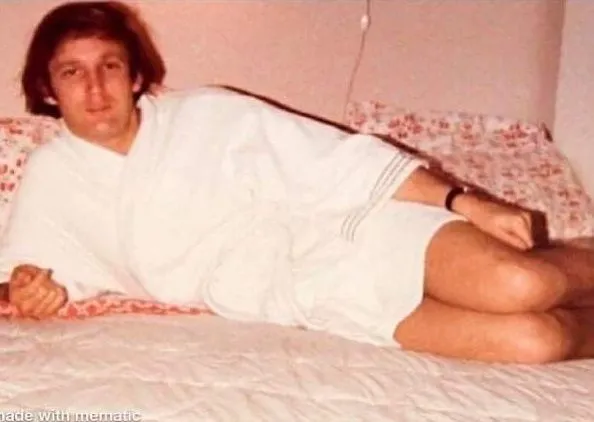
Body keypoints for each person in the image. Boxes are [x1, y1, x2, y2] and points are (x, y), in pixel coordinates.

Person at [0, 1, 593, 365]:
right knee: (535, 343)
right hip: (308, 293)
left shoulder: (209, 114)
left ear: (134, 75)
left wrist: (466, 202)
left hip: (355, 227)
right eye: (73, 72)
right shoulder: (54, 176)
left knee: (520, 283)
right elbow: (22, 275)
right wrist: (29, 292)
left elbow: (341, 161)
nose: (95, 88)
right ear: (48, 89)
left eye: (109, 66)